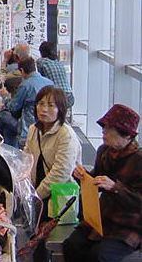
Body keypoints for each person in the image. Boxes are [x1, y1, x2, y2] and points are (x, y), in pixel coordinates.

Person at [64, 104, 141, 262]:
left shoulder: (138, 160)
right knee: (71, 245)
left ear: (127, 135)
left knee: (99, 255)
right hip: (101, 219)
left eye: (109, 129)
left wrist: (115, 188)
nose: (103, 132)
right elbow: (96, 180)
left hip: (128, 225)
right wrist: (82, 176)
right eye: (104, 127)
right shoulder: (104, 151)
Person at [23, 86, 82, 262]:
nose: (44, 109)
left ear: (61, 109)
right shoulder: (34, 129)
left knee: (46, 240)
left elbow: (60, 173)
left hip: (59, 196)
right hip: (37, 193)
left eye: (50, 105)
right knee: (34, 237)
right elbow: (27, 159)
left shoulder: (66, 135)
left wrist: (36, 195)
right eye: (40, 104)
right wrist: (26, 189)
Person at [0, 57, 53, 147]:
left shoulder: (26, 85)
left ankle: (9, 148)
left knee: (3, 116)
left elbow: (13, 107)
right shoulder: (50, 83)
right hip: (46, 125)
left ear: (22, 70)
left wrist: (6, 97)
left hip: (27, 127)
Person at [36, 41, 74, 109]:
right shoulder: (58, 63)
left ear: (42, 52)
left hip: (57, 96)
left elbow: (39, 78)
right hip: (70, 96)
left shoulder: (41, 62)